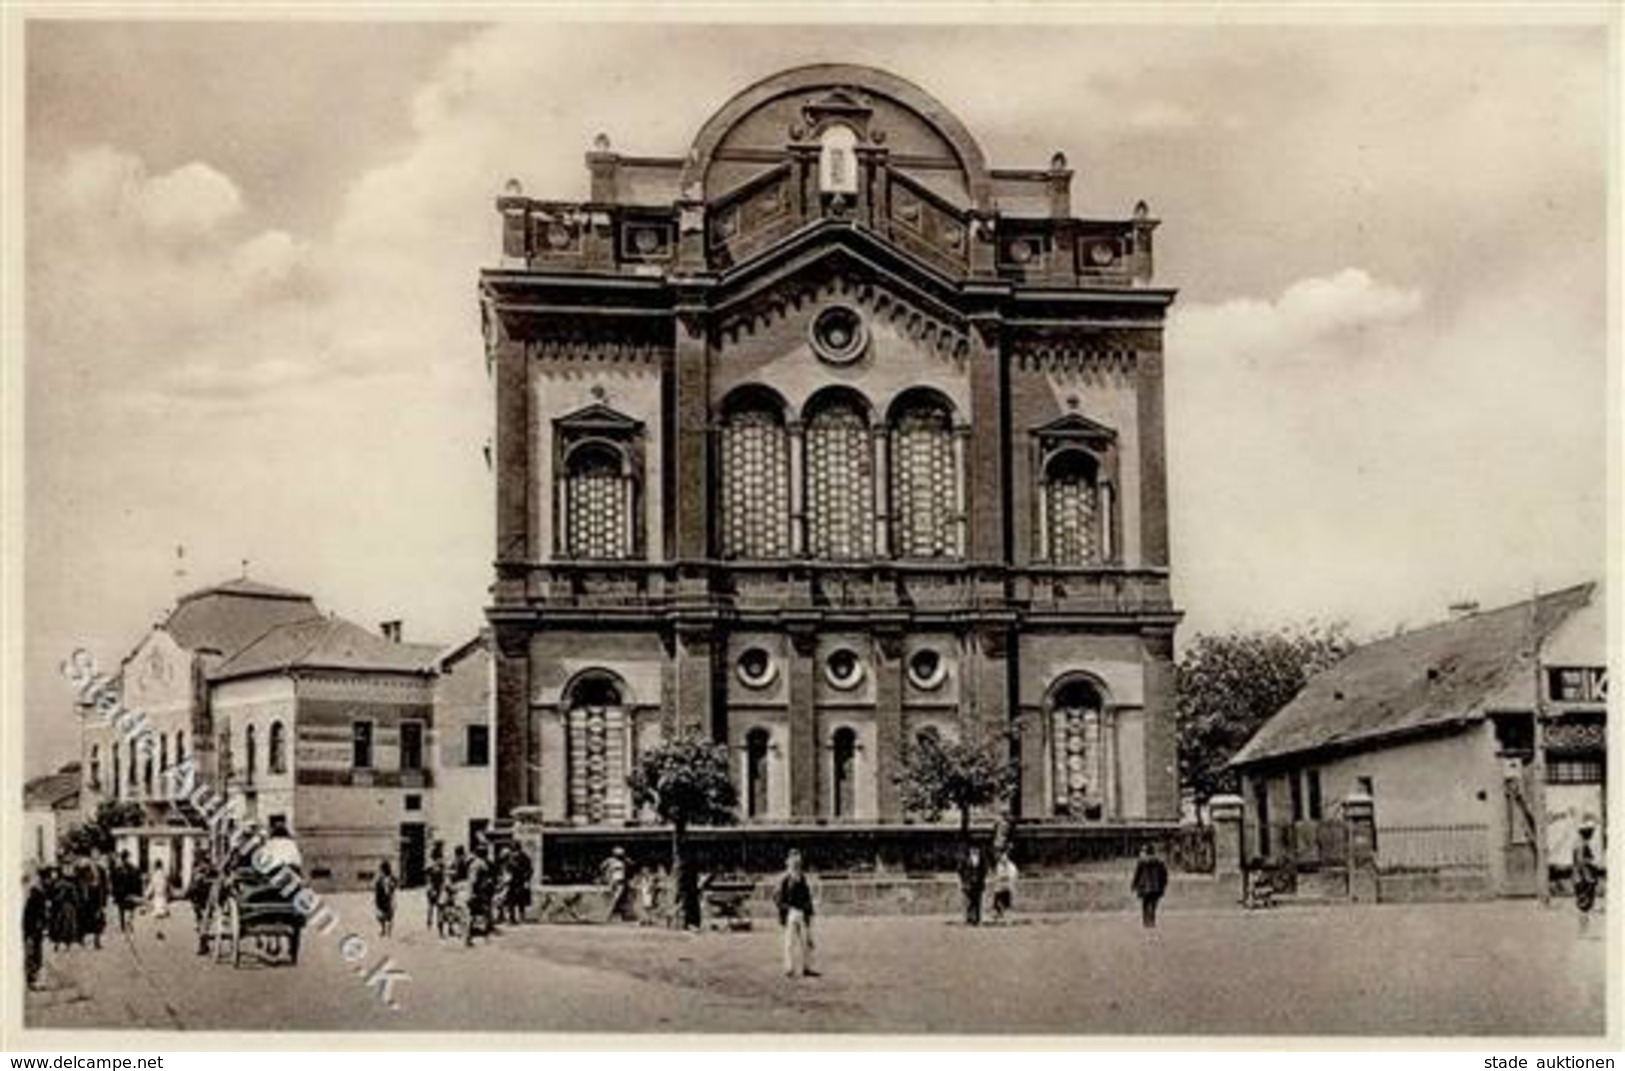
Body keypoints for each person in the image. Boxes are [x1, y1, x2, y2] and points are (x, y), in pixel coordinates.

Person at [773, 850, 817, 978]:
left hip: (801, 912)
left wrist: (809, 912)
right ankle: (789, 968)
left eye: (798, 862)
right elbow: (776, 897)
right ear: (789, 863)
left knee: (806, 942)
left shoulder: (802, 878)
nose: (797, 864)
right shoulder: (784, 879)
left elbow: (807, 897)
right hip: (791, 912)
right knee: (789, 942)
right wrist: (785, 909)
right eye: (794, 862)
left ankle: (807, 968)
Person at [1572, 817, 1604, 939]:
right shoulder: (1580, 844)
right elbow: (1581, 862)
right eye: (1590, 831)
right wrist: (1589, 873)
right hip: (1583, 878)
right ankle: (1582, 932)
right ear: (1585, 832)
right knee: (1584, 905)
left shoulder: (1579, 843)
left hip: (1580, 877)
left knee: (1584, 905)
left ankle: (1583, 931)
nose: (1592, 833)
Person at [1131, 843, 1169, 930]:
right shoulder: (1159, 862)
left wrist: (1134, 884)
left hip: (1144, 886)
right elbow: (1164, 874)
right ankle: (1152, 919)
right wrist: (1163, 884)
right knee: (1153, 904)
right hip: (1155, 886)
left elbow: (1137, 874)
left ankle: (1145, 920)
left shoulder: (1142, 862)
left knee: (1145, 904)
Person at [75, 854, 108, 950]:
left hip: (96, 897)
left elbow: (104, 887)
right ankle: (81, 939)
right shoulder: (83, 871)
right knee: (84, 921)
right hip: (86, 900)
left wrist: (103, 902)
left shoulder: (101, 870)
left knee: (98, 920)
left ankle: (97, 941)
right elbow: (79, 884)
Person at [24, 868, 49, 990]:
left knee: (35, 953)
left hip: (33, 928)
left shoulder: (36, 892)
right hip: (33, 928)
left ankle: (34, 978)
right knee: (33, 953)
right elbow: (37, 913)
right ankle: (33, 979)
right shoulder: (36, 893)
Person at [111, 850, 141, 933]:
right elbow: (136, 882)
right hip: (127, 893)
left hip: (122, 893)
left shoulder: (118, 869)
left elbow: (114, 883)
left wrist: (114, 894)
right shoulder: (132, 869)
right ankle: (127, 924)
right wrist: (137, 893)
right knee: (129, 909)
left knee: (122, 910)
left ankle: (123, 926)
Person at [957, 846, 987, 926]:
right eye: (973, 849)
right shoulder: (965, 859)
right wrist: (964, 880)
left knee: (977, 902)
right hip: (968, 883)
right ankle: (968, 918)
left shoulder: (982, 859)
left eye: (976, 849)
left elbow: (984, 870)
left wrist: (981, 878)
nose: (975, 851)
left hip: (978, 884)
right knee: (968, 902)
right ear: (970, 850)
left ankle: (977, 919)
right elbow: (960, 870)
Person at [601, 847, 632, 923]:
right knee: (612, 898)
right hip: (612, 880)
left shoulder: (624, 861)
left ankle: (612, 915)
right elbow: (602, 866)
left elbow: (631, 863)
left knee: (617, 898)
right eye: (618, 854)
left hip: (621, 881)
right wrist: (607, 873)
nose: (619, 856)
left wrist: (626, 860)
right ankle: (608, 915)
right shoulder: (610, 860)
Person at [990, 848, 1019, 923]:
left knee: (1007, 904)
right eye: (1002, 858)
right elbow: (996, 876)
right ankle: (997, 917)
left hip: (1007, 888)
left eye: (1004, 858)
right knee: (997, 904)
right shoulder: (998, 865)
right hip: (999, 888)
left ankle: (1007, 919)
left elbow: (1013, 875)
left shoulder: (1011, 866)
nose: (1003, 859)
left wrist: (1004, 877)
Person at [507, 843, 533, 924]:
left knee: (521, 900)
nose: (514, 852)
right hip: (512, 882)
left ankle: (521, 917)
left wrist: (526, 879)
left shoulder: (524, 858)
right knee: (511, 900)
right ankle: (512, 918)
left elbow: (529, 870)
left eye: (515, 850)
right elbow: (507, 869)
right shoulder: (509, 858)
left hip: (520, 881)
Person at [373, 860, 398, 938]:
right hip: (382, 899)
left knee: (389, 916)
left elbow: (395, 884)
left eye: (382, 870)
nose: (381, 871)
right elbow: (376, 889)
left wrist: (391, 886)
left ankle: (388, 931)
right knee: (380, 916)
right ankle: (384, 929)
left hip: (389, 899)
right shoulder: (379, 879)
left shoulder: (391, 878)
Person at [425, 841, 446, 932]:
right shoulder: (437, 865)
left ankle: (431, 923)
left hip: (435, 887)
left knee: (433, 906)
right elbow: (429, 877)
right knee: (437, 907)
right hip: (434, 887)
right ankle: (435, 924)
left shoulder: (434, 864)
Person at [147, 861, 170, 939]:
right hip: (163, 896)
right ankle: (161, 930)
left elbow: (151, 886)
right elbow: (167, 886)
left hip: (157, 896)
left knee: (157, 915)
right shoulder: (165, 875)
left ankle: (158, 931)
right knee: (162, 915)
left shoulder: (154, 875)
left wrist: (147, 894)